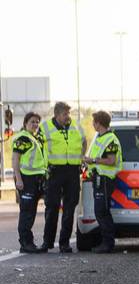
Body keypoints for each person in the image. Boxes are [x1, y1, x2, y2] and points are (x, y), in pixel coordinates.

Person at [37, 101, 86, 253]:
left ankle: (64, 243)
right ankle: (48, 242)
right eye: (65, 114)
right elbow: (38, 148)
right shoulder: (45, 128)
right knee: (51, 207)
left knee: (70, 207)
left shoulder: (76, 126)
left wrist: (81, 156)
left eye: (68, 114)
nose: (67, 117)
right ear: (57, 115)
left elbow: (84, 141)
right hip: (54, 171)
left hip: (72, 171)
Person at [84, 110, 121, 254]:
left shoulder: (110, 139)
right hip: (99, 179)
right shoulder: (99, 137)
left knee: (102, 212)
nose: (93, 124)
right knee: (101, 212)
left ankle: (108, 244)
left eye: (94, 122)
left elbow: (111, 161)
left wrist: (92, 160)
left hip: (105, 180)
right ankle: (105, 242)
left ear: (98, 123)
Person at [11, 112, 48, 254]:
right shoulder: (23, 138)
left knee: (32, 211)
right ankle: (25, 243)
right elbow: (15, 160)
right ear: (25, 123)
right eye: (32, 122)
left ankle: (29, 242)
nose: (35, 124)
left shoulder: (36, 138)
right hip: (26, 179)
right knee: (27, 212)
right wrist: (18, 179)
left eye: (37, 122)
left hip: (37, 178)